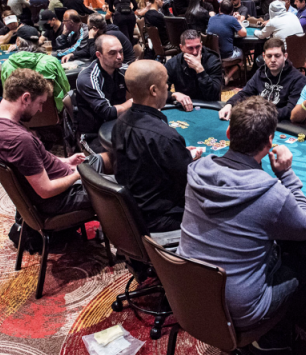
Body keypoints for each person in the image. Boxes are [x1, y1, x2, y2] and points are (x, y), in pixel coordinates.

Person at [177, 96, 306, 331]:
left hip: (185, 292)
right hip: (237, 312)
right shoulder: (272, 194)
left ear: (228, 133)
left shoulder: (196, 169)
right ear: (269, 141)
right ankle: (278, 338)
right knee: (302, 265)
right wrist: (286, 174)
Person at [0, 68, 109, 217]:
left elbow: (32, 160)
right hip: (62, 198)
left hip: (61, 178)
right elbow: (46, 190)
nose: (41, 110)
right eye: (40, 103)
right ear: (26, 98)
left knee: (109, 158)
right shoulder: (20, 140)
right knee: (124, 187)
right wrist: (78, 174)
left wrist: (65, 161)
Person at [113, 60, 203, 232]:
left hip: (129, 210)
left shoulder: (120, 122)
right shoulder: (165, 137)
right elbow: (190, 182)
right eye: (166, 83)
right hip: (160, 218)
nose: (168, 87)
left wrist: (181, 154)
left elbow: (146, 163)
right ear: (153, 90)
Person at [220, 38, 306, 121]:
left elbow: (291, 110)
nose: (273, 60)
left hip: (283, 123)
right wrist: (229, 104)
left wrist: (262, 115)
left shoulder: (298, 79)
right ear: (264, 57)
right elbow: (245, 93)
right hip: (260, 118)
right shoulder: (261, 72)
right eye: (269, 56)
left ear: (285, 56)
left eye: (277, 56)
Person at [74, 34, 132, 153]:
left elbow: (147, 87)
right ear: (98, 55)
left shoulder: (122, 70)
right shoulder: (88, 78)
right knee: (123, 159)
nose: (119, 57)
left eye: (121, 52)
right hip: (93, 135)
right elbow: (107, 112)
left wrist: (171, 95)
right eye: (112, 53)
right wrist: (133, 101)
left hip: (120, 126)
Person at [165, 30, 224, 103]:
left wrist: (199, 69)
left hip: (208, 104)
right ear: (181, 47)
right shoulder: (172, 63)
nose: (195, 52)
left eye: (197, 47)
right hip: (184, 105)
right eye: (190, 48)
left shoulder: (213, 60)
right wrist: (174, 95)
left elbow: (213, 95)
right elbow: (159, 93)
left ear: (201, 44)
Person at [206, 0, 246, 85]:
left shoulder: (211, 19)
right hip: (226, 55)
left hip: (212, 54)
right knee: (242, 55)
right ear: (232, 11)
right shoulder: (232, 19)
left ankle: (224, 72)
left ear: (219, 9)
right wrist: (238, 20)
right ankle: (228, 76)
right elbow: (243, 33)